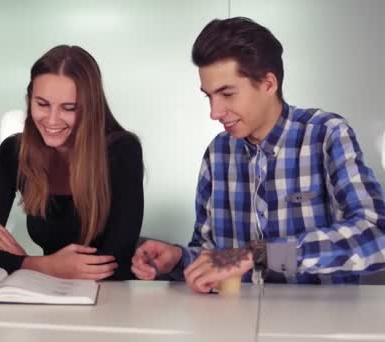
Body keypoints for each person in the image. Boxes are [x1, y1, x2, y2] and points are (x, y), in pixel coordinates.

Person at [132, 17, 385, 291]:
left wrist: (259, 254)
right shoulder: (217, 153)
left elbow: (376, 236)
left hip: (318, 325)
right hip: (234, 323)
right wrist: (179, 259)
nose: (214, 112)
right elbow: (213, 257)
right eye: (209, 96)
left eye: (227, 94)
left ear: (268, 84)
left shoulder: (325, 135)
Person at [0, 45, 144, 280]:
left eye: (68, 108)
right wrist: (42, 265)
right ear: (30, 100)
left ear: (90, 108)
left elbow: (115, 264)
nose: (51, 120)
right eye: (42, 104)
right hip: (46, 295)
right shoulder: (14, 152)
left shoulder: (122, 151)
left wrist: (22, 262)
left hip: (109, 300)